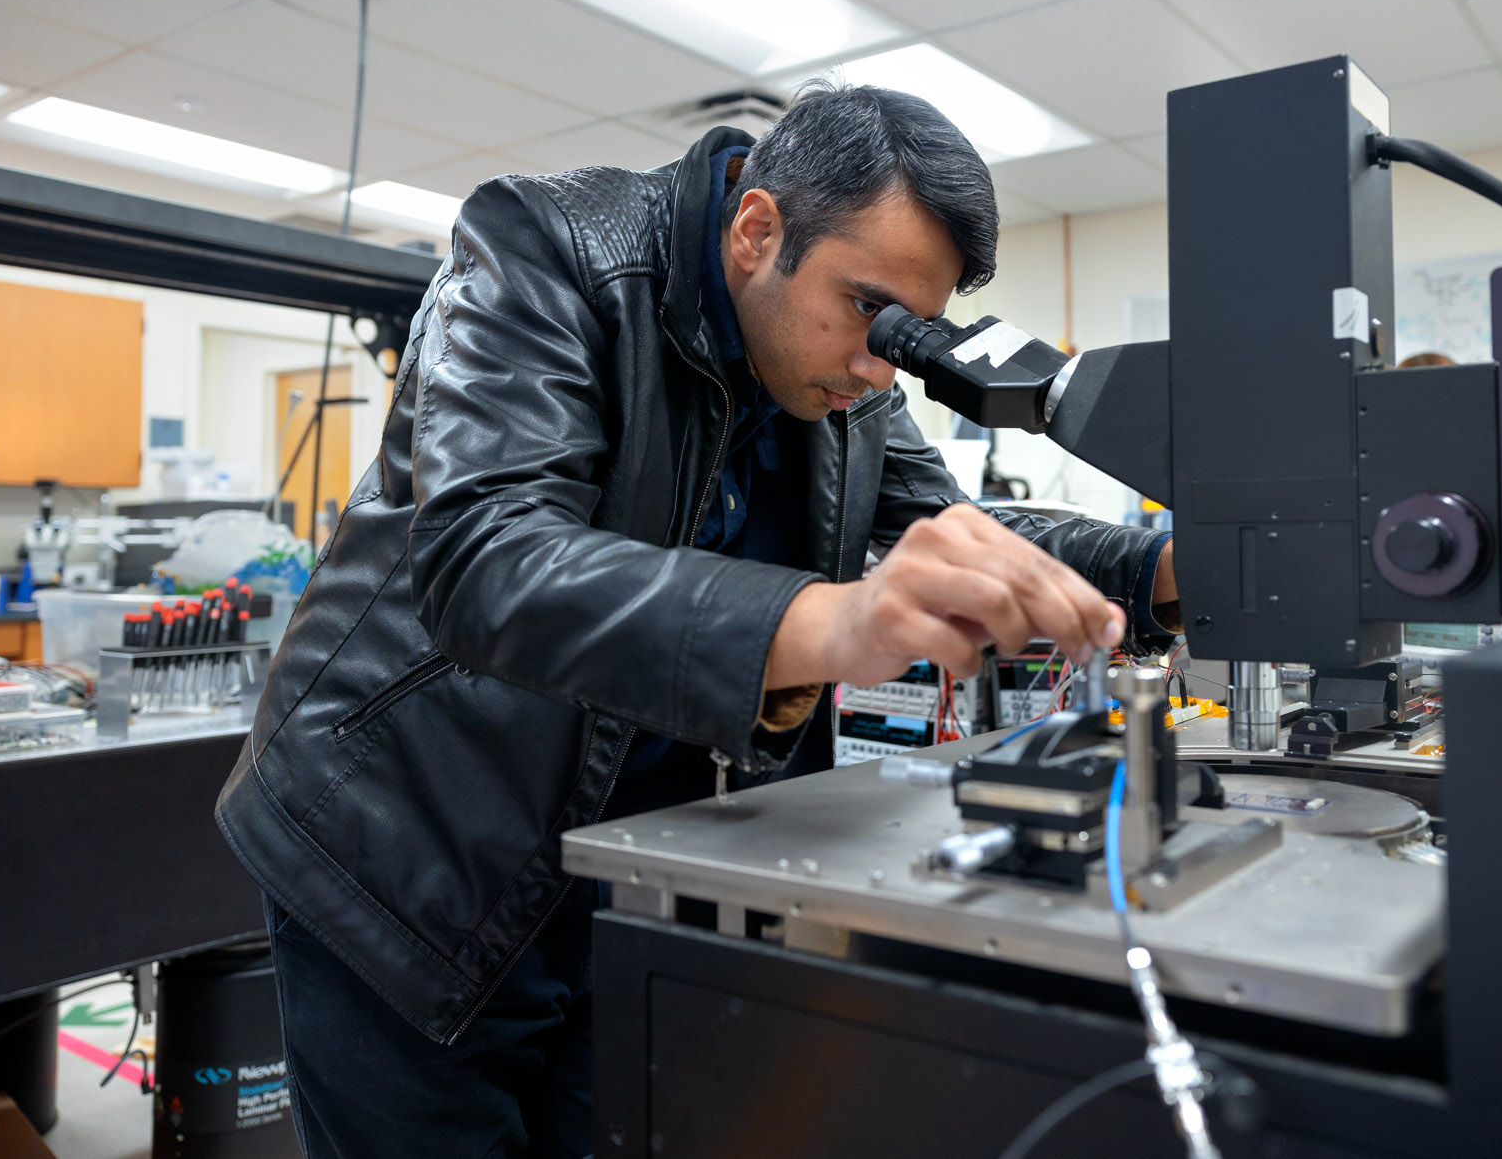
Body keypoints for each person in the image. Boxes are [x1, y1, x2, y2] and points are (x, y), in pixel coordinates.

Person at [214, 82, 1181, 1157]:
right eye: (866, 310)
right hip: (411, 854)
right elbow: (487, 562)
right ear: (756, 228)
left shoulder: (847, 373)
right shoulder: (545, 249)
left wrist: (1158, 569)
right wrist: (829, 620)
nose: (880, 363)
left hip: (628, 866)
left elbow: (959, 533)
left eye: (907, 331)